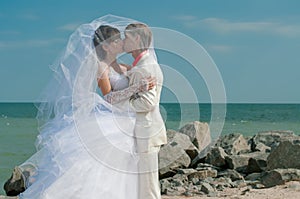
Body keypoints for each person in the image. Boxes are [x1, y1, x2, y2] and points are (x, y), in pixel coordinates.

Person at [3, 15, 158, 199]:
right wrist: (135, 88)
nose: (121, 43)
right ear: (106, 46)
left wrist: (140, 85)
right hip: (113, 117)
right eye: (116, 40)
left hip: (128, 120)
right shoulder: (101, 66)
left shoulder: (125, 66)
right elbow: (108, 98)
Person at [123, 23, 167, 199]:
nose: (124, 41)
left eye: (127, 37)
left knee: (148, 187)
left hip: (146, 132)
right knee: (141, 185)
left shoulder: (146, 66)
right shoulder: (141, 64)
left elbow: (147, 103)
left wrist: (120, 107)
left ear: (137, 39)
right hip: (141, 131)